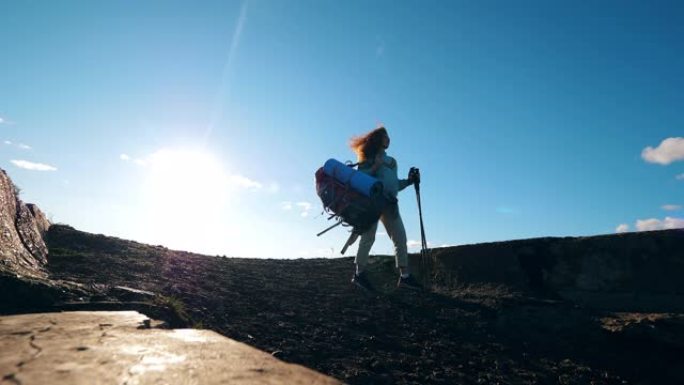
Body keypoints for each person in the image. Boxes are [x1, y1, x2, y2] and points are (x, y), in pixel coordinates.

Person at [348, 126, 422, 291]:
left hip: (390, 204)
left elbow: (394, 185)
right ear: (378, 139)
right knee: (368, 237)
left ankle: (405, 277)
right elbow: (360, 180)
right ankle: (359, 275)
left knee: (400, 238)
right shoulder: (367, 158)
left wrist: (409, 181)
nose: (389, 139)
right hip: (371, 203)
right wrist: (374, 166)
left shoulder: (392, 161)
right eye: (385, 136)